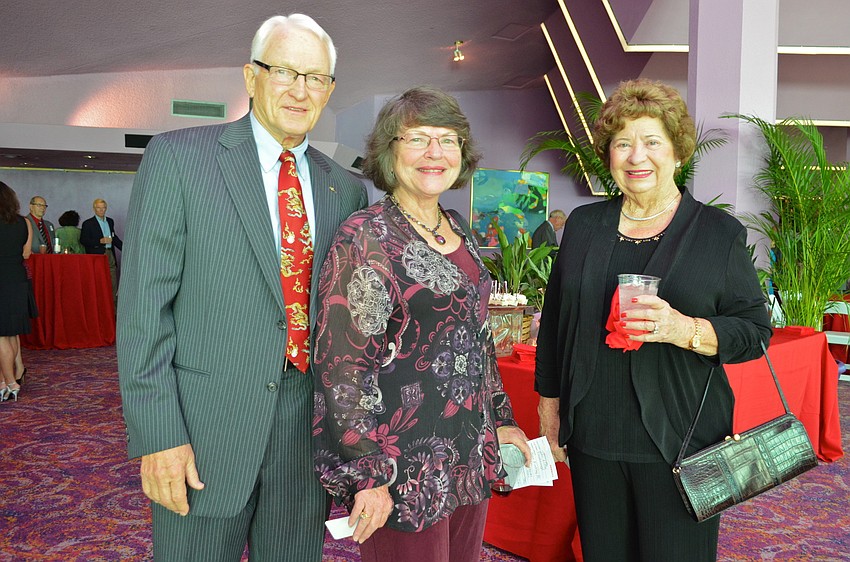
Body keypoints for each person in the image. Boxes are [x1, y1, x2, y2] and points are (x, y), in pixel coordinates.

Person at [116, 13, 368, 562]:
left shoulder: (346, 188)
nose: (301, 90)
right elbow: (143, 313)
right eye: (285, 72)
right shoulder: (179, 159)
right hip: (204, 428)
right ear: (251, 77)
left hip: (306, 436)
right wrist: (158, 436)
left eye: (316, 78)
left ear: (329, 90)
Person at [534, 78, 772, 562]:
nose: (636, 156)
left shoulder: (717, 232)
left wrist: (684, 330)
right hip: (594, 437)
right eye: (622, 143)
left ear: (678, 153)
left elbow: (754, 330)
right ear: (609, 156)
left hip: (683, 440)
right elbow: (557, 322)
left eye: (651, 142)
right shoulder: (584, 225)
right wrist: (549, 405)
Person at [311, 86, 531, 562]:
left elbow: (477, 339)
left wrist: (503, 421)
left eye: (448, 139)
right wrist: (367, 474)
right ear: (390, 154)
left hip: (467, 451)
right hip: (402, 461)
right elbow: (342, 367)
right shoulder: (367, 236)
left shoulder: (458, 228)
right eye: (417, 139)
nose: (435, 152)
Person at [0, 182, 36, 402]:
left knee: (1, 335)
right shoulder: (24, 222)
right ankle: (8, 380)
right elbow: (26, 254)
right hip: (17, 278)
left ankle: (9, 382)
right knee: (11, 333)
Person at [81, 198, 123, 301]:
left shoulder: (110, 221)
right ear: (94, 209)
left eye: (103, 208)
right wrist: (99, 241)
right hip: (97, 255)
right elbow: (83, 240)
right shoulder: (88, 223)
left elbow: (114, 238)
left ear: (106, 209)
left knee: (113, 281)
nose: (101, 210)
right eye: (98, 208)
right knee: (99, 281)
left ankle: (112, 308)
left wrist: (126, 249)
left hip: (110, 253)